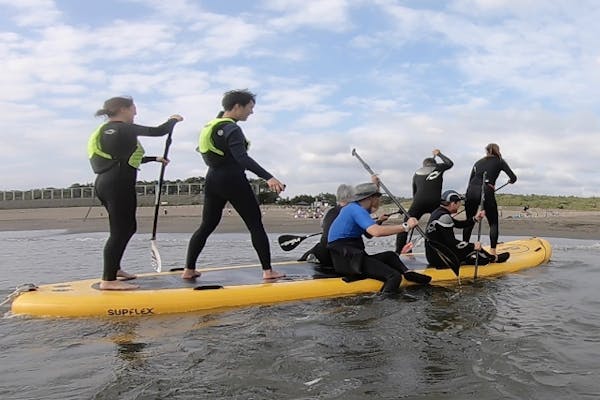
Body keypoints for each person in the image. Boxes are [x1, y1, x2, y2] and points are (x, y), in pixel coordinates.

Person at [183, 89, 286, 280]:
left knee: (206, 226)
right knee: (255, 224)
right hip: (233, 180)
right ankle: (268, 271)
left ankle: (189, 269)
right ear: (237, 106)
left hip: (213, 180)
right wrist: (268, 177)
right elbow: (241, 158)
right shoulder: (232, 129)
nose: (251, 112)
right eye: (250, 107)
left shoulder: (211, 125)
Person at [87, 96, 183, 290]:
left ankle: (114, 270)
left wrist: (155, 158)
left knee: (126, 228)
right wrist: (173, 120)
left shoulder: (108, 131)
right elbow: (158, 131)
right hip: (116, 184)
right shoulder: (121, 128)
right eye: (133, 109)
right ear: (123, 109)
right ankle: (108, 280)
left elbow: (124, 158)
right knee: (121, 230)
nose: (136, 113)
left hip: (110, 182)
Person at [327, 182, 432, 294]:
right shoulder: (356, 210)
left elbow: (368, 234)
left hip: (351, 255)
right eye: (378, 197)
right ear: (371, 198)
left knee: (390, 255)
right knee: (394, 277)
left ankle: (407, 273)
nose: (379, 201)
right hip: (347, 259)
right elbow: (376, 232)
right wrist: (406, 226)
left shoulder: (353, 208)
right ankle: (383, 306)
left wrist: (379, 221)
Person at [424, 190, 508, 268]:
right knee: (479, 253)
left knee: (471, 249)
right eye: (459, 203)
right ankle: (493, 259)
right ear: (453, 203)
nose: (460, 206)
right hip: (441, 259)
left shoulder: (438, 212)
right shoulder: (444, 217)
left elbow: (459, 224)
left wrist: (475, 219)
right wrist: (472, 246)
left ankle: (490, 258)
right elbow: (451, 242)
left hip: (433, 257)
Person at [462, 143, 517, 261]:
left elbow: (470, 180)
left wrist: (468, 195)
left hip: (471, 191)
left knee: (469, 221)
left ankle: (463, 250)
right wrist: (511, 181)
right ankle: (493, 252)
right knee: (493, 223)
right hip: (486, 190)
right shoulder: (500, 161)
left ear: (486, 151)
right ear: (498, 151)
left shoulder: (478, 162)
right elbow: (513, 177)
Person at [396, 149, 453, 253]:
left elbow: (415, 192)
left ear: (424, 165)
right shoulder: (438, 168)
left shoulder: (416, 174)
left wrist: (416, 205)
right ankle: (443, 249)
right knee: (439, 225)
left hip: (418, 203)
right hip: (434, 202)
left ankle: (399, 251)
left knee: (405, 225)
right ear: (434, 163)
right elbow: (450, 163)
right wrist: (439, 154)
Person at [297, 183, 355, 267]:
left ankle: (303, 259)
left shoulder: (329, 211)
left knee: (319, 246)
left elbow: (323, 226)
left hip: (322, 248)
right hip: (337, 251)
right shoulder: (350, 211)